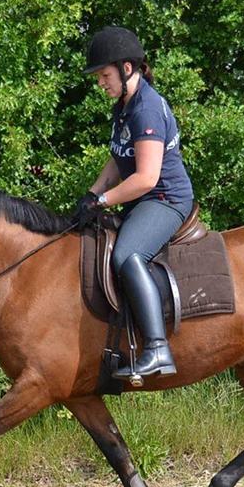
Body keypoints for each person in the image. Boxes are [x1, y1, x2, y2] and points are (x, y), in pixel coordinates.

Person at [71, 26, 195, 380]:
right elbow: (118, 159)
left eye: (104, 75)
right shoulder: (125, 106)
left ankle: (157, 348)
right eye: (98, 77)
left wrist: (103, 201)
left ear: (127, 68)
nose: (100, 84)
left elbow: (145, 178)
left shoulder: (147, 109)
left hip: (166, 199)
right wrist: (93, 194)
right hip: (142, 200)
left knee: (127, 255)